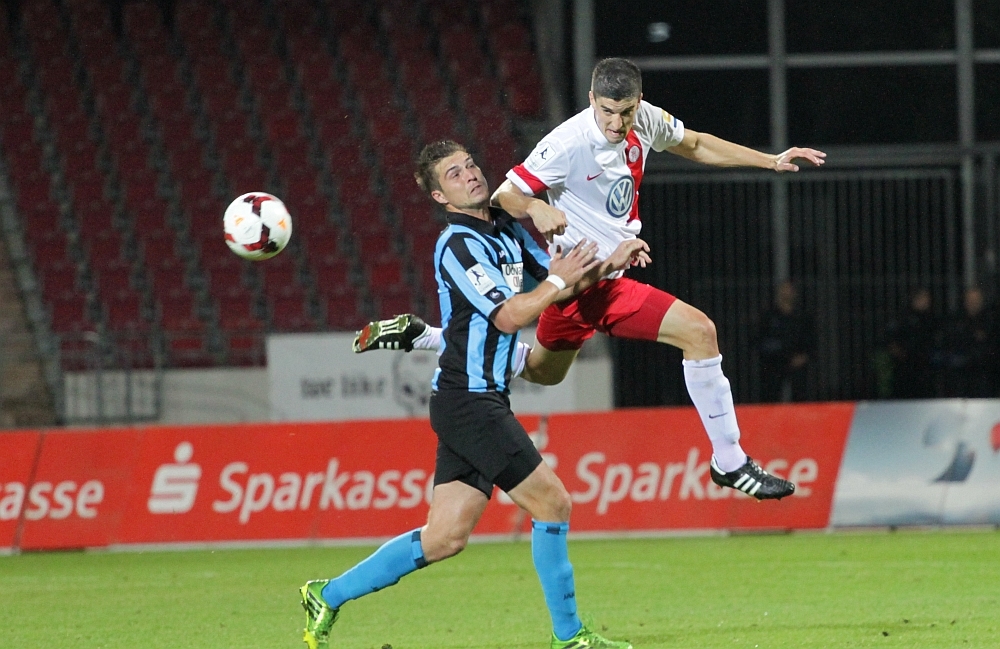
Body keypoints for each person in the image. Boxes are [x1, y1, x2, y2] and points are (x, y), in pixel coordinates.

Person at [356, 57, 819, 499]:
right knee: (699, 332)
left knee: (543, 372)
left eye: (626, 112)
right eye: (607, 111)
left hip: (580, 284)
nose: (616, 123)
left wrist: (770, 160)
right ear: (591, 99)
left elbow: (695, 144)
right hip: (592, 281)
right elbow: (505, 195)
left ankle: (427, 336)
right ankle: (730, 461)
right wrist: (536, 206)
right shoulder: (567, 142)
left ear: (639, 102)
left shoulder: (645, 120)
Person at [301, 141, 646, 649]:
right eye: (454, 174)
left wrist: (609, 262)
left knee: (444, 537)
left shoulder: (506, 229)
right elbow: (510, 315)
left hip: (478, 398)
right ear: (441, 196)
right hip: (469, 400)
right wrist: (557, 279)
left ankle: (325, 594)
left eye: (470, 165)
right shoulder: (457, 245)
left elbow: (561, 285)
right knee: (553, 503)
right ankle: (570, 637)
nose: (470, 175)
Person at [755, 281, 814, 402]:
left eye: (789, 290)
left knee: (800, 395)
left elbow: (810, 339)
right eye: (784, 289)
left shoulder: (802, 316)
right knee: (771, 395)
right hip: (774, 363)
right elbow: (760, 339)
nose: (786, 293)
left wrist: (804, 356)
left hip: (797, 362)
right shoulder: (769, 316)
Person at [883, 288, 937, 399]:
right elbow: (892, 339)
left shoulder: (930, 318)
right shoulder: (903, 317)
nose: (927, 301)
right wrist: (900, 354)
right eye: (924, 298)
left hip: (924, 365)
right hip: (906, 365)